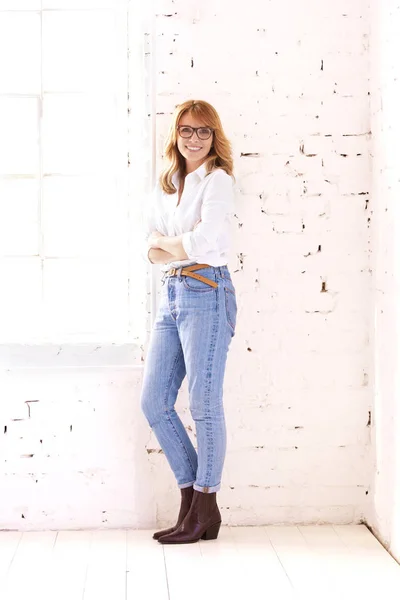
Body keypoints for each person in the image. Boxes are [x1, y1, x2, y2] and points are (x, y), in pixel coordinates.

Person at [140, 99, 237, 544]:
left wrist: (170, 244)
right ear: (175, 135)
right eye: (186, 130)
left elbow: (206, 240)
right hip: (173, 294)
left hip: (207, 291)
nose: (194, 138)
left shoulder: (217, 181)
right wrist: (176, 245)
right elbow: (149, 246)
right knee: (155, 402)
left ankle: (205, 504)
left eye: (203, 131)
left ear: (214, 136)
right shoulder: (169, 183)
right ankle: (192, 503)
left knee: (203, 403)